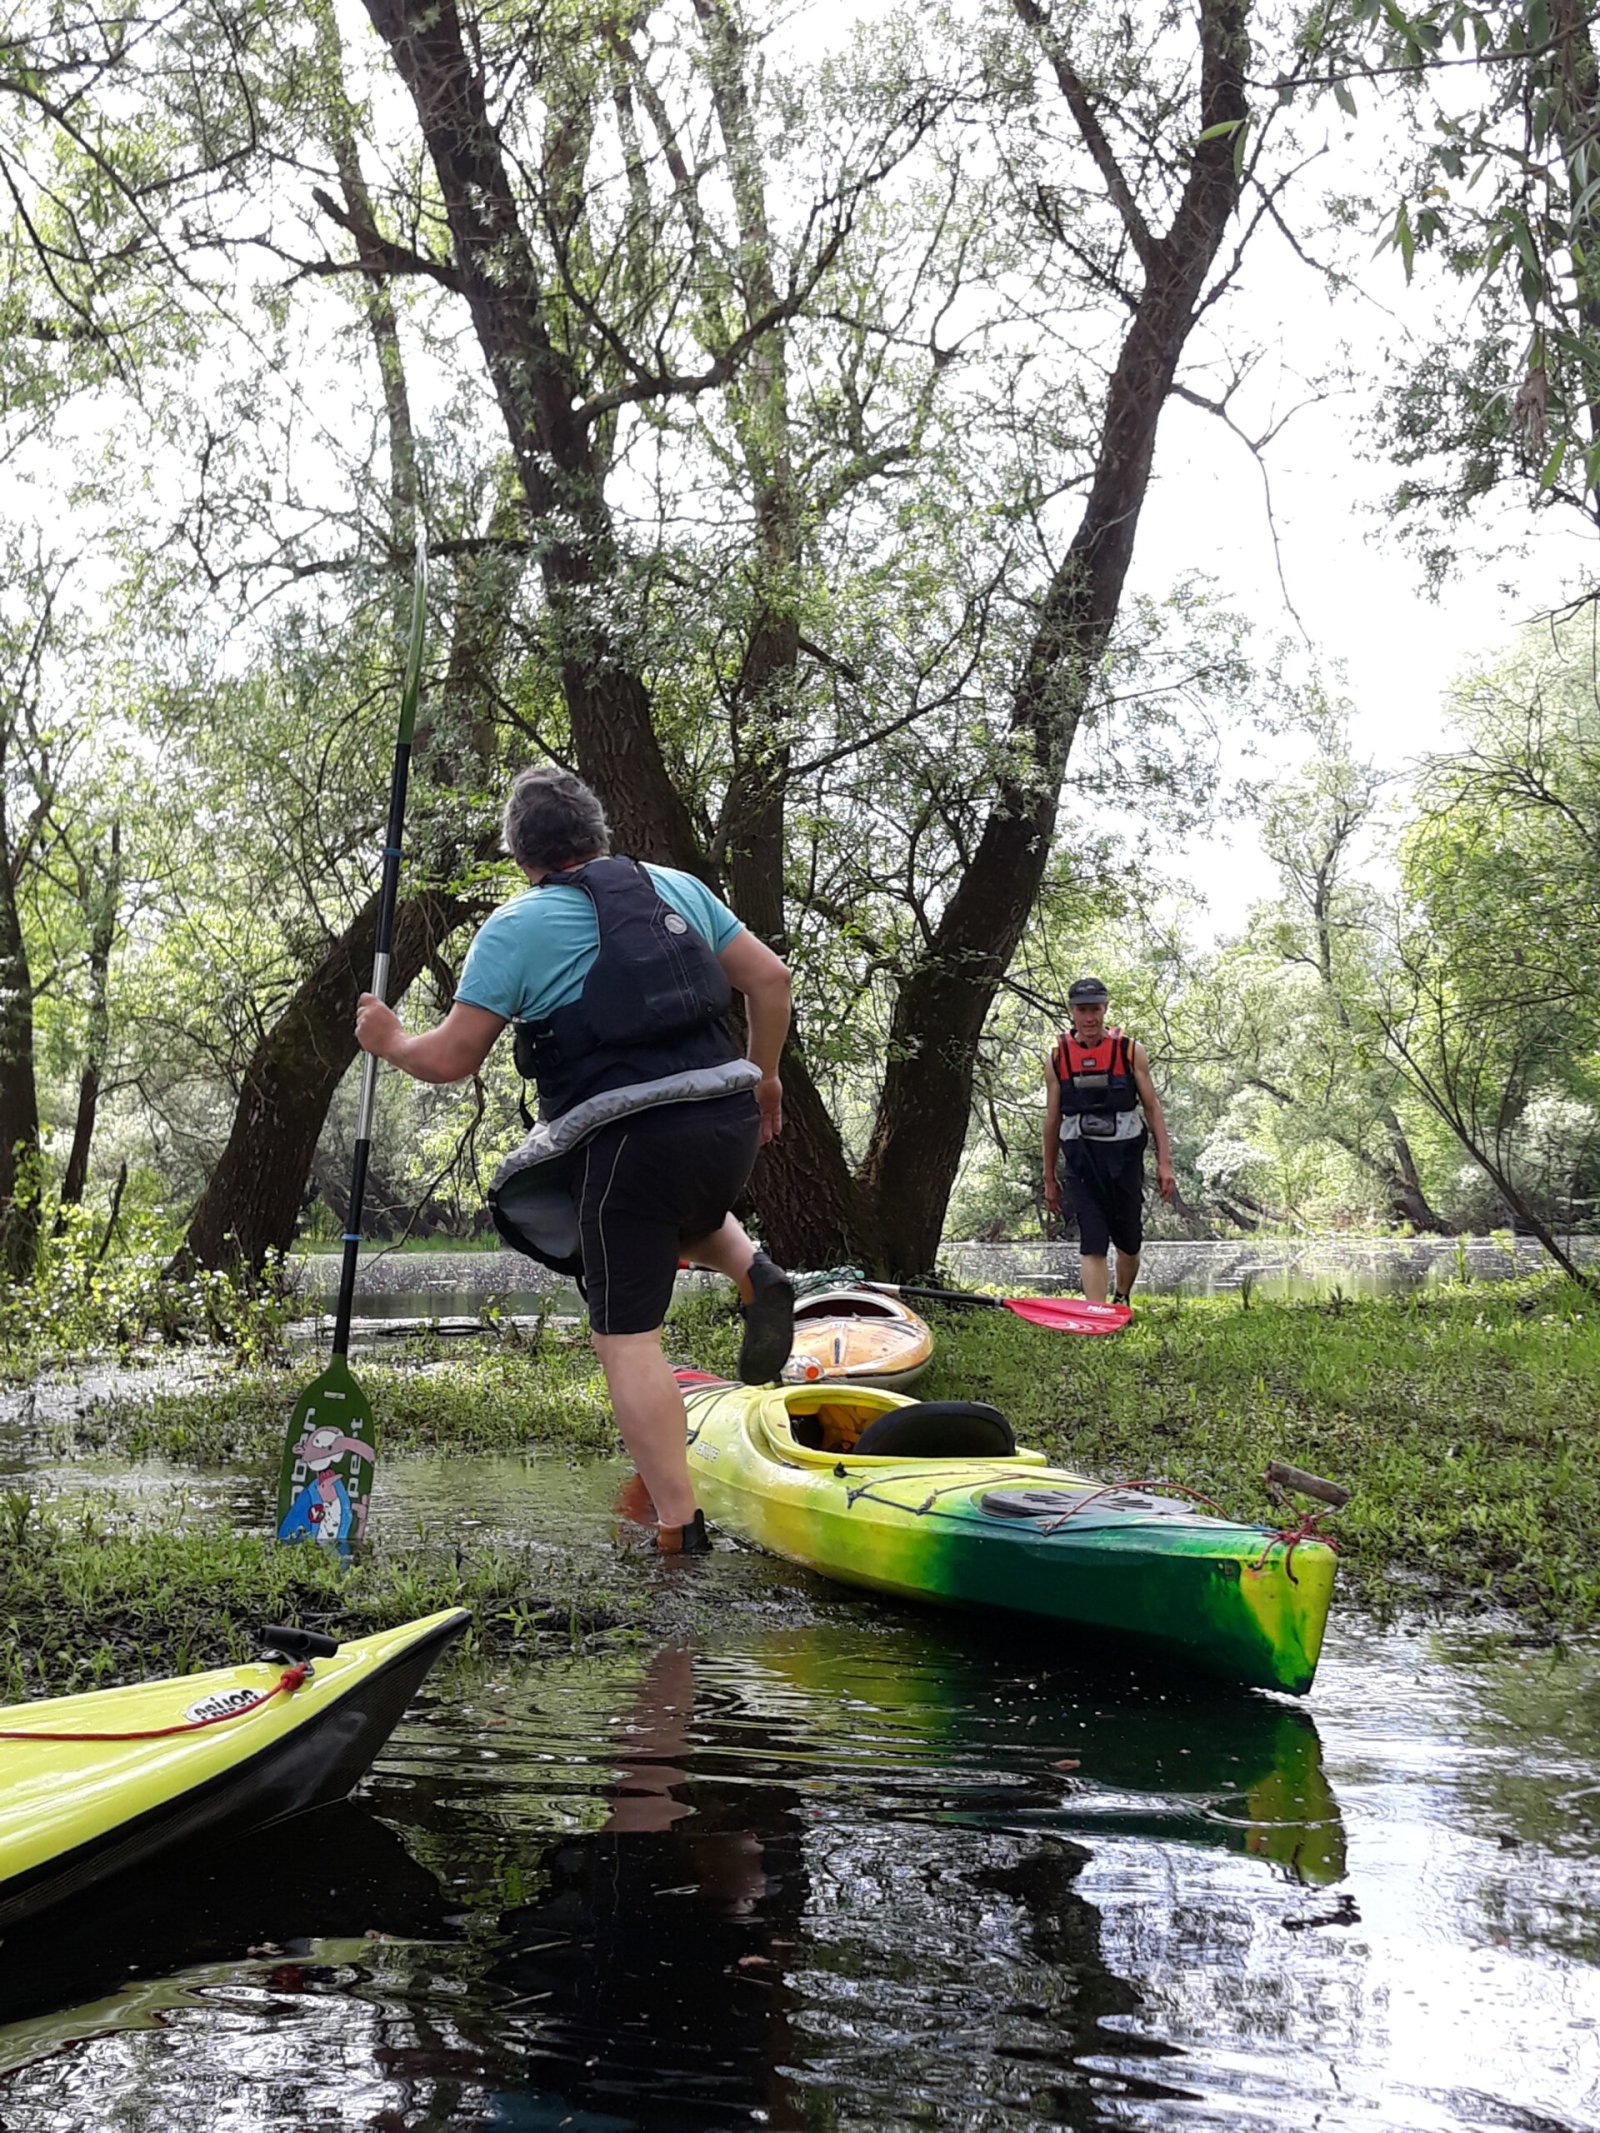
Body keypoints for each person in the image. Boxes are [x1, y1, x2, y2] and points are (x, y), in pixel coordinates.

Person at [354, 764, 795, 1556]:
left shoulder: (516, 926)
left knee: (626, 1336)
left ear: (522, 856)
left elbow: (451, 1057)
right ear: (598, 832)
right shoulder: (676, 888)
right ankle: (753, 1270)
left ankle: (679, 1528)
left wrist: (391, 1040)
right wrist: (764, 1078)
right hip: (726, 1124)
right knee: (672, 1213)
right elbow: (772, 979)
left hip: (631, 1142)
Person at [1041, 977, 1173, 1308]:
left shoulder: (1130, 1051)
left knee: (1129, 1240)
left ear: (1105, 1009)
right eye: (1082, 1010)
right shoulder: (1057, 1058)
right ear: (1072, 1012)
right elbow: (1052, 1120)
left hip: (1124, 1159)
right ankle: (1097, 1314)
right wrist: (1049, 1177)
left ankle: (1121, 1298)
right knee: (1092, 1239)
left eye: (1095, 1010)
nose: (1089, 1018)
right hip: (1082, 1162)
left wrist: (1164, 1163)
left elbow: (1152, 1108)